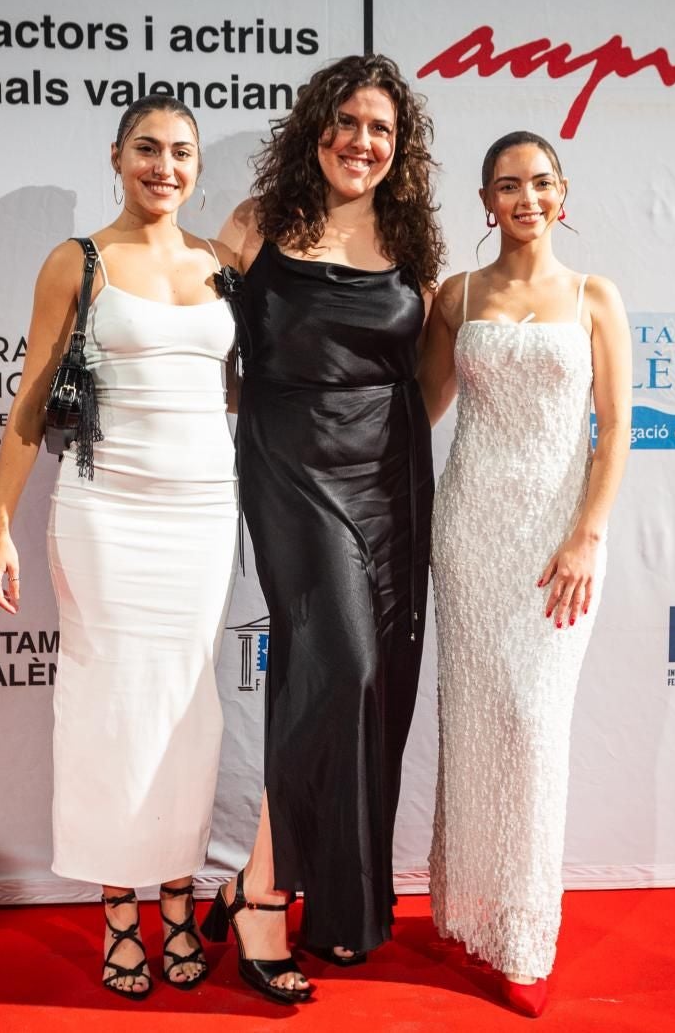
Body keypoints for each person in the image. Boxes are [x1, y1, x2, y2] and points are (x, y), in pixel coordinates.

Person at [0, 95, 240, 1001]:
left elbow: (243, 390)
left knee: (186, 710)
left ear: (198, 166)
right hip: (106, 516)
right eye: (147, 149)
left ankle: (180, 899)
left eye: (180, 153)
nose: (164, 167)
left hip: (206, 514)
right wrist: (0, 525)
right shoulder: (77, 261)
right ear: (117, 156)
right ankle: (120, 916)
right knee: (111, 709)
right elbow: (29, 401)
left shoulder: (222, 263)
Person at [202, 53, 444, 1004]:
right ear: (316, 128)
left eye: (382, 129)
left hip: (388, 475)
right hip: (290, 465)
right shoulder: (257, 226)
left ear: (401, 147)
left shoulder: (413, 243)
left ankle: (326, 898)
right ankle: (263, 893)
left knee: (369, 685)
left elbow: (428, 374)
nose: (362, 141)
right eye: (347, 122)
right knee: (336, 663)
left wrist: (398, 453)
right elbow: (203, 342)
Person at [418, 130, 633, 1018]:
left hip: (556, 542)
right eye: (508, 185)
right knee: (474, 723)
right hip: (469, 531)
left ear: (564, 192)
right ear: (485, 201)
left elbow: (615, 428)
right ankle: (471, 911)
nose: (527, 198)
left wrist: (588, 533)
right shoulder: (456, 295)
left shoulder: (594, 295)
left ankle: (527, 935)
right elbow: (422, 407)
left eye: (541, 182)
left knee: (534, 726)